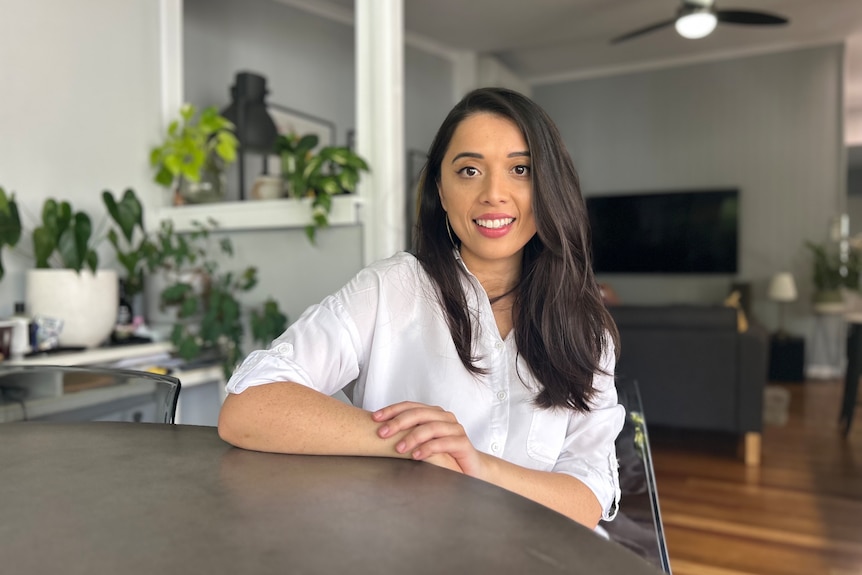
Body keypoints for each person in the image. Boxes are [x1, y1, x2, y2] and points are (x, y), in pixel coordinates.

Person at [218, 87, 624, 529]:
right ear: (441, 191)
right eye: (469, 170)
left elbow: (587, 500)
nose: (494, 193)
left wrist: (475, 465)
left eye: (520, 169)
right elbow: (248, 406)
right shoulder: (391, 289)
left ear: (549, 186)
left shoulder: (585, 330)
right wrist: (414, 442)